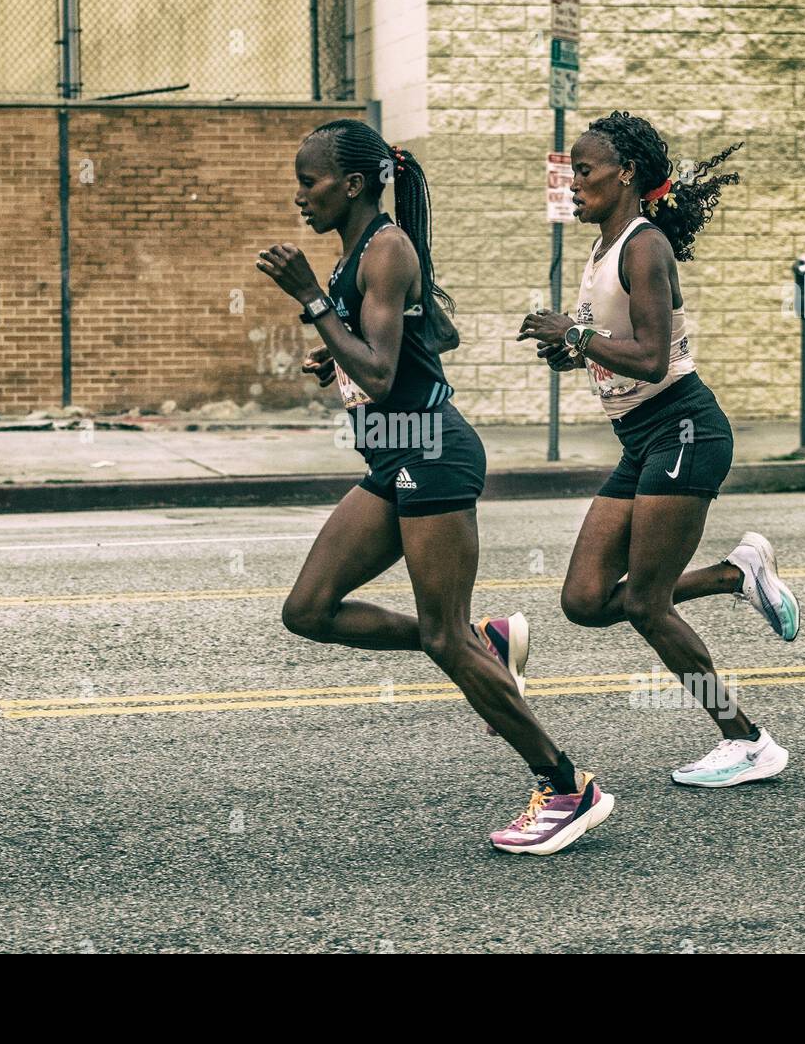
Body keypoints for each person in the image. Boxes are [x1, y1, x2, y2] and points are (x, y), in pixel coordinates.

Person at [257, 118, 613, 852]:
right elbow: (430, 339)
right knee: (310, 609)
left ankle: (565, 786)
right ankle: (481, 639)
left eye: (308, 181)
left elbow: (385, 373)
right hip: (394, 456)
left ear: (351, 184)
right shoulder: (360, 252)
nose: (299, 196)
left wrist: (318, 307)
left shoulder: (386, 248)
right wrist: (339, 349)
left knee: (441, 639)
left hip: (430, 449)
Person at [518, 110, 800, 789]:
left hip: (682, 429)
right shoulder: (603, 249)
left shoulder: (643, 246)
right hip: (642, 439)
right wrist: (570, 347)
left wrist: (577, 337)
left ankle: (748, 741)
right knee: (585, 600)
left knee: (646, 604)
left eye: (584, 171)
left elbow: (648, 359)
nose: (574, 182)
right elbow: (616, 347)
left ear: (626, 175)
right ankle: (735, 576)